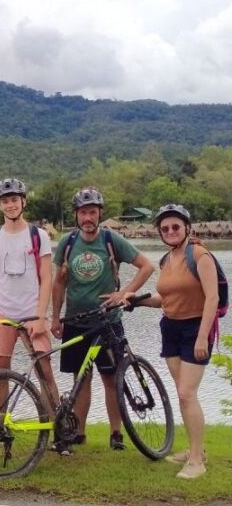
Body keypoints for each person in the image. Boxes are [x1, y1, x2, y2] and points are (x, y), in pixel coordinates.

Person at [51, 187, 154, 453]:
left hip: (108, 322)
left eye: (92, 212)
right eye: (83, 212)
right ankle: (79, 433)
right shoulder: (67, 242)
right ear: (76, 215)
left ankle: (116, 433)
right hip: (75, 320)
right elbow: (58, 283)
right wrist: (54, 317)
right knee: (80, 379)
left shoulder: (111, 239)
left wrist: (125, 293)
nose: (88, 217)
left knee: (111, 379)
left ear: (99, 214)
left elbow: (147, 266)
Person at [125, 204, 215, 479]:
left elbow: (212, 298)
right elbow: (164, 299)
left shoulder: (200, 255)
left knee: (187, 394)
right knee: (184, 394)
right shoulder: (167, 260)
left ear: (187, 227)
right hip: (170, 328)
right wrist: (137, 301)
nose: (170, 231)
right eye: (165, 228)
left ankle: (197, 461)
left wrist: (202, 336)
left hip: (195, 329)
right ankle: (195, 449)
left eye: (175, 226)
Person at [0, 179, 59, 445]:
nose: (10, 205)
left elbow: (47, 278)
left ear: (23, 202)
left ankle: (58, 430)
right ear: (0, 205)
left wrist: (40, 315)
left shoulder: (39, 235)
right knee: (0, 372)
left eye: (14, 199)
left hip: (31, 310)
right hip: (1, 310)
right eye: (5, 200)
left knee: (44, 371)